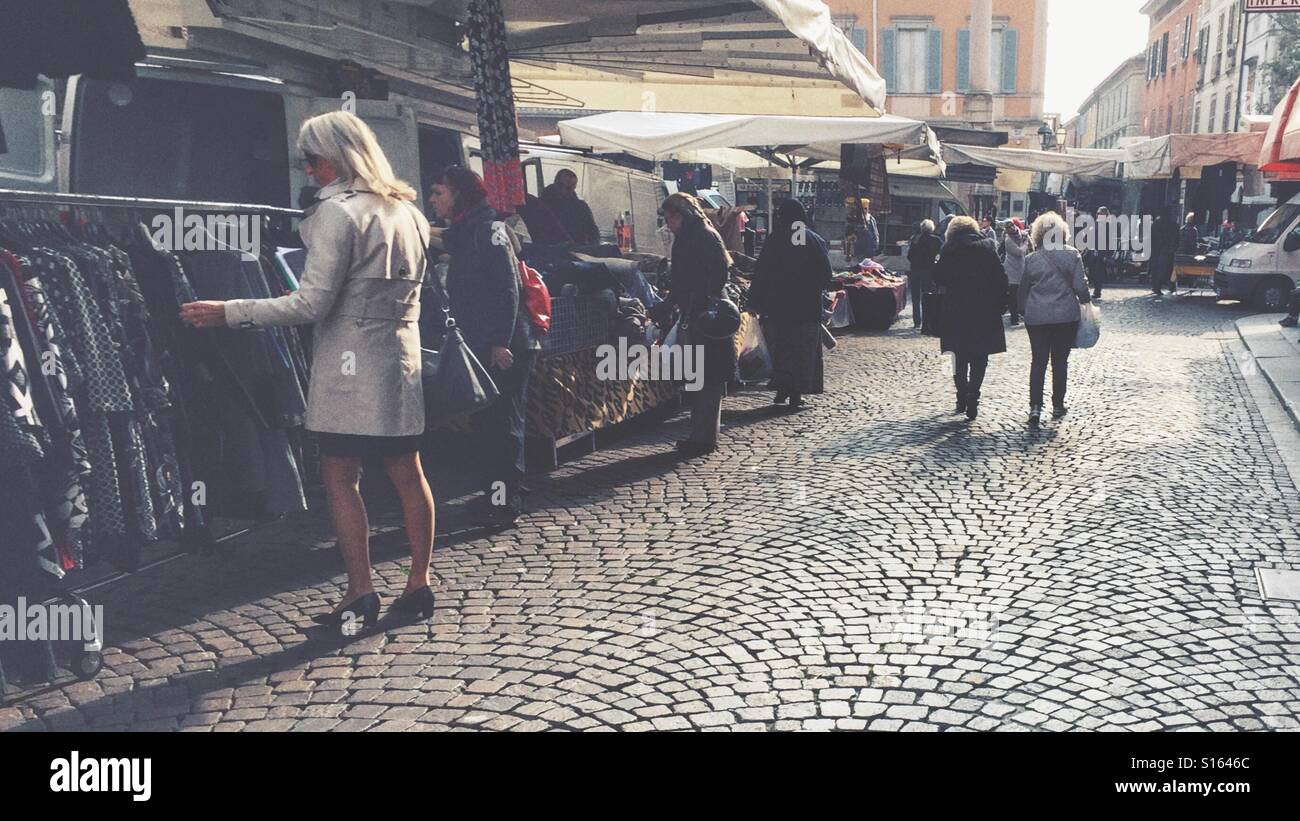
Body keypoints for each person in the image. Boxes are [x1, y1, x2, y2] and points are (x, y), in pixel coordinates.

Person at [180, 111, 436, 630]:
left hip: (349, 367)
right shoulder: (409, 213)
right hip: (399, 358)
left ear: (338, 156)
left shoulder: (340, 214)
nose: (309, 170)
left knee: (342, 476)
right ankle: (418, 581)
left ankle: (361, 590)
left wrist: (231, 311)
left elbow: (310, 304)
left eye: (313, 159)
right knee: (408, 474)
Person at [429, 166, 539, 526]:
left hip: (503, 346)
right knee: (487, 425)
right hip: (484, 342)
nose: (432, 199)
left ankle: (506, 504)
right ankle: (494, 496)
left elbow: (507, 290)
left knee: (503, 426)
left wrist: (499, 343)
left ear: (458, 194)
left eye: (438, 192)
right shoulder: (468, 231)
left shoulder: (490, 231)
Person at [662, 192, 738, 456]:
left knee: (708, 377)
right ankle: (700, 434)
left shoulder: (703, 235)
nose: (667, 223)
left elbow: (718, 273)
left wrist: (703, 301)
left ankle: (704, 437)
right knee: (700, 376)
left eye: (669, 217)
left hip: (707, 316)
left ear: (681, 215)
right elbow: (682, 278)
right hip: (697, 312)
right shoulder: (690, 236)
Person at [748, 199, 833, 409]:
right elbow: (826, 275)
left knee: (781, 350)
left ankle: (781, 389)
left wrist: (755, 301)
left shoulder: (774, 239)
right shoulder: (813, 240)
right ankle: (795, 394)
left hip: (777, 309)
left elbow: (761, 273)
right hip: (805, 309)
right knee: (801, 352)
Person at [931, 216, 1008, 421]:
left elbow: (937, 276)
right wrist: (1001, 304)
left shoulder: (949, 249)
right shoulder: (988, 248)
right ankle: (974, 395)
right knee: (979, 357)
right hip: (984, 309)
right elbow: (1001, 278)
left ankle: (961, 395)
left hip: (955, 309)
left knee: (958, 356)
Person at [1019, 211, 1092, 428]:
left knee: (1038, 362)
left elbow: (1022, 291)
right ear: (1062, 232)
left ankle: (1035, 407)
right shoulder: (1072, 255)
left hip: (1037, 317)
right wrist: (1085, 300)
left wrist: (1025, 311)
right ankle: (1058, 404)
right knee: (1060, 361)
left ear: (1038, 234)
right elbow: (1082, 288)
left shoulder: (1031, 259)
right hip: (1064, 317)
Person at [541, 168, 601, 245]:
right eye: (568, 187)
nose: (571, 191)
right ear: (557, 185)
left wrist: (592, 249)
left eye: (573, 187)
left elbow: (593, 233)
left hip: (577, 251)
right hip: (548, 251)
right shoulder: (542, 206)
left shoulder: (581, 207)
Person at [906, 219, 943, 329]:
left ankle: (917, 322)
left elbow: (909, 256)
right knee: (928, 296)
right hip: (929, 271)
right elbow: (942, 253)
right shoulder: (936, 240)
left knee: (915, 298)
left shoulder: (915, 239)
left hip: (916, 270)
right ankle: (928, 322)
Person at [1002, 218, 1028, 325]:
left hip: (1021, 269)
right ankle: (1014, 318)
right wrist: (1025, 242)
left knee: (1022, 294)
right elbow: (1020, 252)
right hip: (1012, 271)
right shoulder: (1008, 240)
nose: (1011, 228)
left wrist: (1026, 238)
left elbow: (1031, 245)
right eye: (1008, 227)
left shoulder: (1021, 234)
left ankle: (1023, 314)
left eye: (1012, 225)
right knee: (1013, 296)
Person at [1149, 210, 1178, 296]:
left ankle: (1156, 286)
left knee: (1157, 269)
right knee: (1166, 269)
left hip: (1157, 250)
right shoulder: (1173, 225)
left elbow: (1152, 237)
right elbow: (1176, 238)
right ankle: (1168, 286)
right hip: (1166, 250)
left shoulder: (1156, 224)